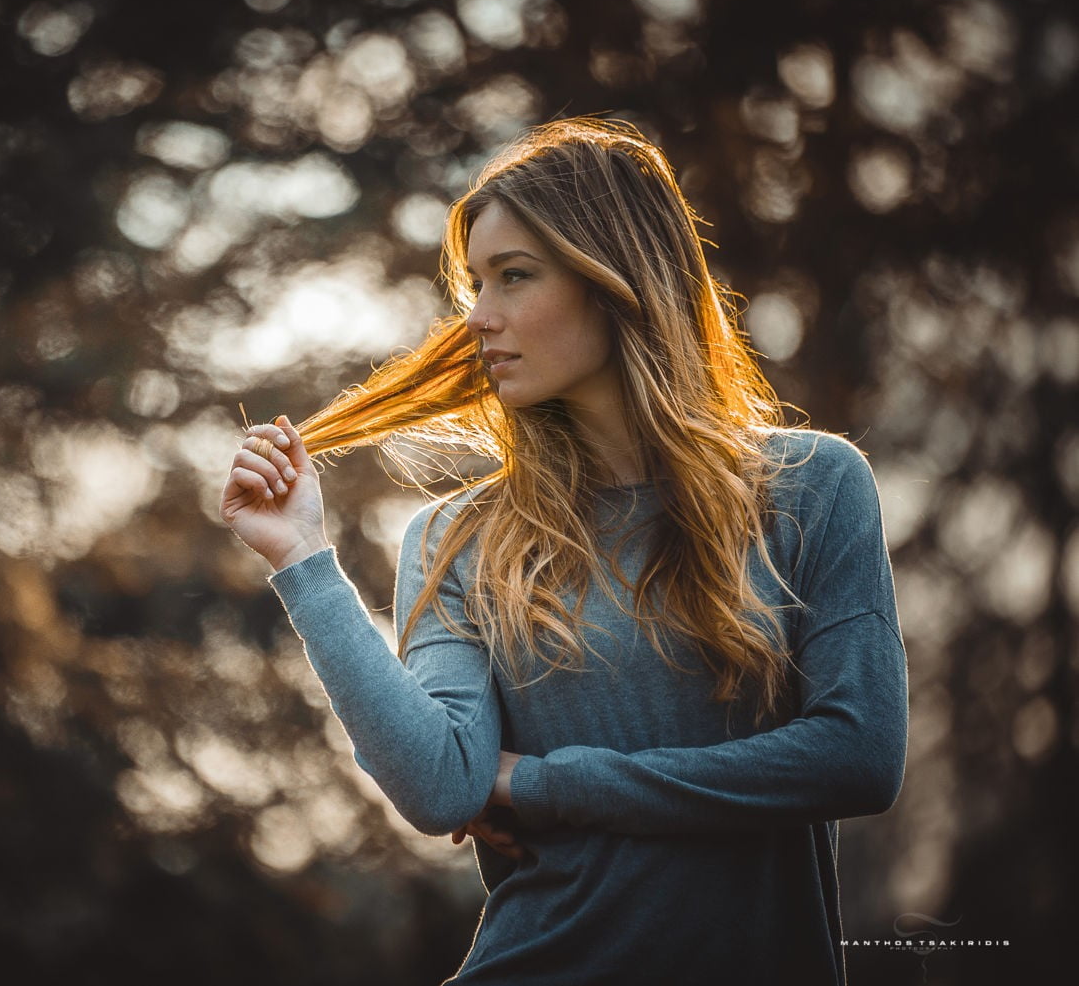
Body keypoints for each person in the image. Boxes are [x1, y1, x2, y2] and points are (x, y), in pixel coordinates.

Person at [219, 116, 907, 985]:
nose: (480, 318)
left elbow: (858, 755)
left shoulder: (811, 487)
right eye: (475, 284)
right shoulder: (456, 538)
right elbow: (441, 784)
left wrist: (541, 783)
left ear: (615, 281)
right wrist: (302, 559)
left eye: (514, 278)